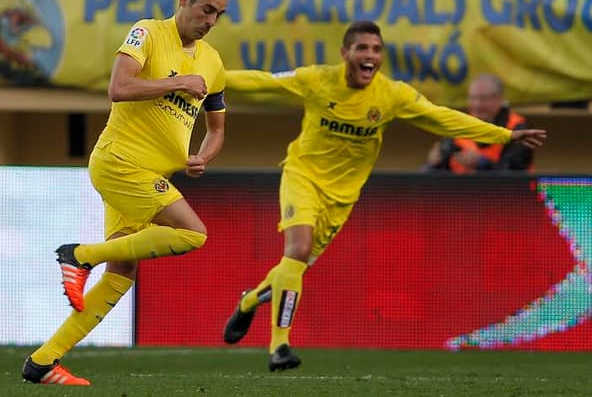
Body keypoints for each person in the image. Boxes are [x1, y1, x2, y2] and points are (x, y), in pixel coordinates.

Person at [221, 21, 547, 371]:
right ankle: (279, 346)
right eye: (362, 48)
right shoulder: (317, 79)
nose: (370, 56)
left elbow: (443, 118)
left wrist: (505, 136)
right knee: (297, 250)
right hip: (303, 178)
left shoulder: (392, 95)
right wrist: (206, 79)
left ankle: (250, 302)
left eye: (376, 50)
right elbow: (261, 81)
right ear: (345, 53)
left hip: (341, 198)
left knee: (294, 268)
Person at [21, 0, 231, 386]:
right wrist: (177, 83)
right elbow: (119, 87)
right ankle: (79, 255)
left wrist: (201, 156)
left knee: (123, 271)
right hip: (120, 163)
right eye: (206, 9)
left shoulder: (213, 63)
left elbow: (218, 128)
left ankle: (43, 362)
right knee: (194, 234)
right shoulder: (147, 33)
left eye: (219, 15)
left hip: (149, 174)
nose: (209, 21)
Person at [424, 73, 535, 173]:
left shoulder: (518, 128)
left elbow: (515, 172)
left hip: (506, 194)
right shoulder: (460, 126)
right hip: (464, 192)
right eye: (473, 98)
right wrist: (433, 163)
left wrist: (481, 163)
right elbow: (437, 171)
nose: (477, 105)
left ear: (500, 98)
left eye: (483, 99)